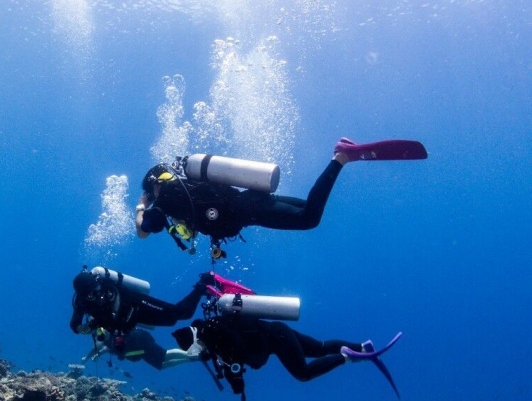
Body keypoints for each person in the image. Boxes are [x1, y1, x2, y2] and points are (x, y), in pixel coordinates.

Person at [135, 138, 427, 256]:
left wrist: (141, 205)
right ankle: (342, 157)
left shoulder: (169, 194)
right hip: (249, 202)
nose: (151, 196)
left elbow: (146, 229)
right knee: (307, 209)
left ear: (154, 185)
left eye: (150, 191)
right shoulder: (183, 187)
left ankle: (341, 157)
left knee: (309, 218)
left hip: (246, 209)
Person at [171, 314, 401, 401]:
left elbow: (238, 348)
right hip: (278, 330)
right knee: (320, 347)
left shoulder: (215, 335)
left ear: (195, 340)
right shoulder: (214, 329)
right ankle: (362, 347)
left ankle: (347, 357)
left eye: (193, 349)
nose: (197, 354)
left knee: (304, 374)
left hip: (277, 340)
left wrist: (238, 370)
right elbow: (234, 356)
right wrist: (236, 375)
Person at [69, 268, 212, 336]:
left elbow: (120, 303)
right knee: (171, 321)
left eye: (97, 288)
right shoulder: (81, 303)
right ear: (83, 296)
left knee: (181, 313)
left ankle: (202, 284)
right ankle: (201, 288)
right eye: (91, 294)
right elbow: (74, 324)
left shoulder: (106, 284)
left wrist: (104, 322)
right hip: (132, 320)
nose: (97, 294)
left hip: (137, 304)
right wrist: (83, 328)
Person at [82, 327, 200, 370]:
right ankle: (189, 358)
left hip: (139, 341)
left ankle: (189, 353)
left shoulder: (103, 331)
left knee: (164, 355)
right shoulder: (104, 338)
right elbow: (107, 347)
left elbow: (97, 347)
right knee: (160, 365)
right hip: (136, 350)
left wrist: (87, 357)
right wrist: (98, 355)